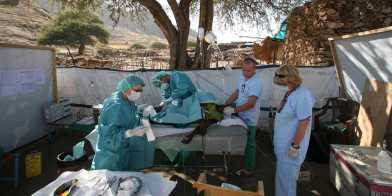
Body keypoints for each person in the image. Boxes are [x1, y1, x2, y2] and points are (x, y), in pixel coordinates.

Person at [91, 75, 154, 171]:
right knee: (110, 180)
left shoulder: (125, 98)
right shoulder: (116, 106)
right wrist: (130, 132)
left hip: (121, 149)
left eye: (141, 91)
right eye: (137, 91)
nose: (139, 93)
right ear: (127, 88)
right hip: (111, 155)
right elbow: (109, 137)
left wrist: (138, 111)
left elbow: (127, 115)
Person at [273, 65, 315, 196]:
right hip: (283, 144)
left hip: (291, 146)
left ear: (290, 79)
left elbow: (304, 122)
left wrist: (295, 146)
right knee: (283, 178)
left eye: (283, 80)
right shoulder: (291, 91)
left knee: (287, 183)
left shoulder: (302, 95)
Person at [223, 57, 262, 175]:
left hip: (250, 117)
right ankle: (241, 158)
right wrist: (226, 103)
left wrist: (233, 110)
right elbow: (238, 92)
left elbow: (251, 103)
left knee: (250, 142)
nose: (245, 73)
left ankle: (249, 169)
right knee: (242, 138)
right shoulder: (243, 77)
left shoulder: (257, 82)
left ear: (254, 69)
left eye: (248, 71)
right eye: (243, 70)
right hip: (240, 113)